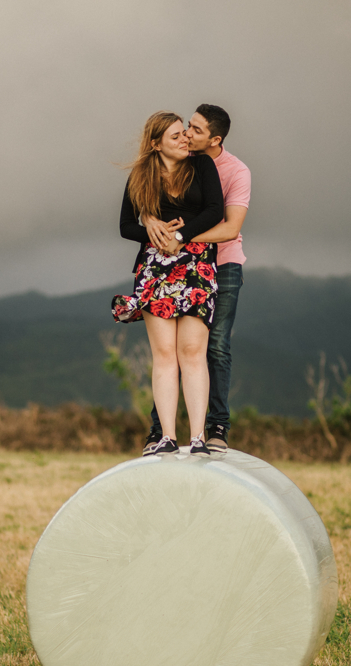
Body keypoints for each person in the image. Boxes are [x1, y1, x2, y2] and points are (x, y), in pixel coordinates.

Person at [112, 111, 226, 457]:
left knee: (192, 352)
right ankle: (166, 437)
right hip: (155, 269)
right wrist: (152, 228)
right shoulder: (141, 175)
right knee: (164, 355)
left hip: (195, 266)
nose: (184, 140)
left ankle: (197, 438)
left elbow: (214, 211)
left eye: (185, 134)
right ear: (155, 143)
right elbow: (124, 226)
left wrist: (179, 234)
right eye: (176, 136)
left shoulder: (202, 167)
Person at [140, 104, 250, 455]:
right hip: (179, 265)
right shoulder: (181, 160)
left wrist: (182, 238)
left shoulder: (234, 171)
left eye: (196, 130)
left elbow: (230, 226)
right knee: (168, 351)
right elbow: (151, 198)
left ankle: (216, 426)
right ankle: (162, 430)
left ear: (215, 140)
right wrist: (149, 219)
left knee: (213, 347)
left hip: (223, 263)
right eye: (187, 126)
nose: (187, 133)